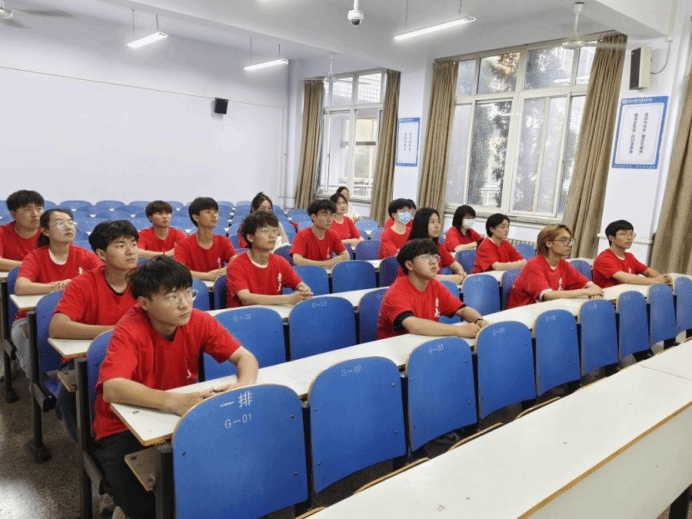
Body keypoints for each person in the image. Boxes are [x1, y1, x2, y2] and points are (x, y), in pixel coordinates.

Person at [92, 255, 258, 519]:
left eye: (187, 292)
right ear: (144, 303)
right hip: (123, 427)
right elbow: (113, 387)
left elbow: (246, 358)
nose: (185, 303)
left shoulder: (198, 320)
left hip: (178, 418)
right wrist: (174, 402)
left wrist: (242, 387)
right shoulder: (129, 329)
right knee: (148, 509)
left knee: (230, 482)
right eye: (172, 297)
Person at [49, 220, 140, 444]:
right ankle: (89, 450)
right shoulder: (83, 283)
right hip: (87, 358)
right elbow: (57, 326)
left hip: (135, 354)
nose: (131, 251)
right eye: (121, 245)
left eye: (133, 243)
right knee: (71, 394)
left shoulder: (145, 281)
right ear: (101, 254)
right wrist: (115, 331)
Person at [12, 208, 101, 372]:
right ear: (45, 231)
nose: (68, 227)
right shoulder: (35, 256)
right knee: (28, 338)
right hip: (31, 319)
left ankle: (70, 376)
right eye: (60, 223)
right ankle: (39, 381)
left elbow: (103, 280)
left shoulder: (86, 255)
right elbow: (21, 287)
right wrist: (58, 286)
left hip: (75, 318)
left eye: (70, 223)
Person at [377, 239, 488, 340]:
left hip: (425, 343)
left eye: (435, 257)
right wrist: (460, 330)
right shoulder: (396, 291)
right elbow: (413, 325)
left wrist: (479, 321)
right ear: (409, 265)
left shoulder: (434, 285)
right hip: (396, 350)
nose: (434, 261)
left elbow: (462, 309)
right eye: (425, 257)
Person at [226, 211, 312, 308]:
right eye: (265, 231)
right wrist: (288, 299)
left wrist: (304, 290)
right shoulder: (236, 264)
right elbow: (246, 299)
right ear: (250, 237)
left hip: (273, 314)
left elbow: (299, 284)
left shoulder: (280, 262)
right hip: (244, 315)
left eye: (275, 230)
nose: (272, 235)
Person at [506, 224, 603, 309]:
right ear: (549, 243)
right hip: (523, 313)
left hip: (546, 309)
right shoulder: (534, 264)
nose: (569, 245)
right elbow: (548, 296)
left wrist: (594, 292)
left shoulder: (562, 263)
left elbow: (587, 284)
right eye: (564, 240)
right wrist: (587, 292)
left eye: (570, 240)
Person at [593, 220, 673, 289]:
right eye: (623, 234)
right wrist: (655, 281)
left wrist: (663, 278)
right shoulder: (604, 258)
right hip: (608, 297)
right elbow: (626, 278)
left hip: (626, 293)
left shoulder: (629, 256)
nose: (629, 238)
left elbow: (647, 271)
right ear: (611, 238)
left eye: (631, 234)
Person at [174, 197, 237, 281]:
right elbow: (178, 271)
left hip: (216, 285)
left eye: (215, 212)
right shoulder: (183, 245)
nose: (214, 215)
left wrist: (226, 269)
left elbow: (235, 260)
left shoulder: (223, 240)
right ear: (196, 217)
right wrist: (207, 276)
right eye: (208, 212)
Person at [404, 208, 465, 285]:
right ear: (422, 224)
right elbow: (422, 276)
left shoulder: (438, 246)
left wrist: (460, 272)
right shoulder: (411, 248)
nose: (437, 226)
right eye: (432, 222)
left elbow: (454, 264)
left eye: (438, 221)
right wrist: (449, 279)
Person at [290, 199, 349, 267]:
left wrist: (332, 261)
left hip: (327, 272)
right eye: (325, 215)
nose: (329, 219)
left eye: (332, 215)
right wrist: (325, 264)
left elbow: (346, 256)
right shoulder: (302, 235)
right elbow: (297, 260)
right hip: (307, 272)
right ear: (314, 217)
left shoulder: (333, 234)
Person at [0, 189, 44, 271]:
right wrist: (32, 265)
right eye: (27, 210)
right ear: (13, 214)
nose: (35, 214)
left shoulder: (49, 232)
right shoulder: (2, 232)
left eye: (39, 209)